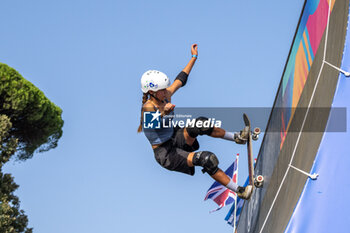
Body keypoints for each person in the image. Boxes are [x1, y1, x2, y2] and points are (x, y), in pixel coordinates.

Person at [138, 44, 252, 199]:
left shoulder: (165, 96)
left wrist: (194, 57)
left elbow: (181, 79)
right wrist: (164, 112)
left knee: (200, 123)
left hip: (175, 136)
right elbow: (152, 125)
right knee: (205, 159)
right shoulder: (148, 107)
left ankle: (237, 138)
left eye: (166, 88)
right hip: (166, 153)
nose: (166, 91)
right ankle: (239, 190)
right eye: (162, 89)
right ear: (151, 92)